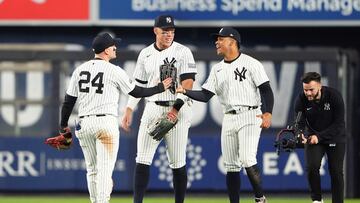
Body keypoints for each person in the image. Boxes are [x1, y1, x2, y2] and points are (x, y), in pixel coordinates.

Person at [59, 32, 172, 203]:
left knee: (92, 170)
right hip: (105, 123)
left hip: (83, 124)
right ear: (105, 50)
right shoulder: (113, 70)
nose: (115, 47)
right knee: (104, 171)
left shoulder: (79, 70)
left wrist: (63, 126)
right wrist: (159, 87)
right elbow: (136, 91)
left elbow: (68, 101)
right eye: (113, 45)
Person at [176, 27, 274, 203]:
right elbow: (205, 95)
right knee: (231, 165)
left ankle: (260, 198)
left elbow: (266, 90)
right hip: (229, 117)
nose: (217, 42)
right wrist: (185, 91)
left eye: (220, 39)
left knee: (246, 157)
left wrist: (268, 113)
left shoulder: (251, 63)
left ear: (232, 42)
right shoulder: (217, 69)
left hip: (251, 114)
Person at [121, 15, 197, 203]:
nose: (169, 35)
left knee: (178, 163)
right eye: (165, 32)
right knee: (142, 159)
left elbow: (188, 83)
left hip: (177, 109)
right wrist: (129, 109)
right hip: (153, 107)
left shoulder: (183, 51)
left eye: (172, 31)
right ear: (155, 31)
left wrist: (176, 109)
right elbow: (137, 85)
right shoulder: (145, 54)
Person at [295, 72, 346, 203]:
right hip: (313, 137)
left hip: (335, 137)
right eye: (305, 90)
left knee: (336, 171)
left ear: (320, 86)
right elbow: (299, 122)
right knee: (312, 167)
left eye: (311, 90)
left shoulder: (334, 96)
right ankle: (317, 200)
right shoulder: (301, 99)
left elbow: (339, 124)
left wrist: (319, 137)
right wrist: (299, 134)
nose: (308, 93)